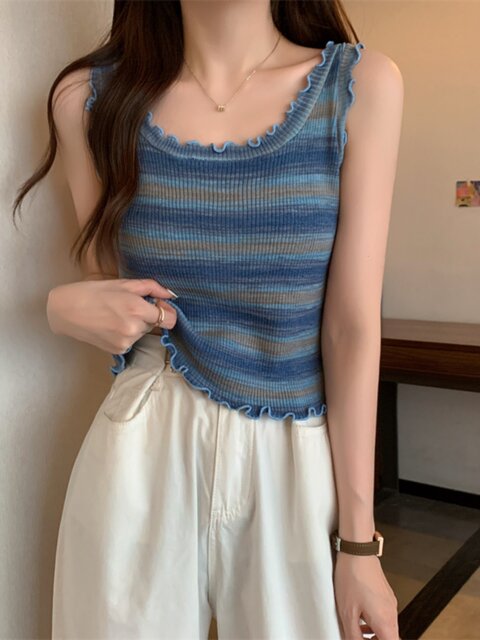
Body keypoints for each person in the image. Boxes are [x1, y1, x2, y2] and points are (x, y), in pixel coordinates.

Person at [12, 1, 404, 638]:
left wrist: (359, 545)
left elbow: (350, 327)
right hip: (144, 443)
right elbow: (112, 292)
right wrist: (60, 307)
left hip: (293, 451)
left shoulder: (359, 86)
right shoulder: (87, 99)